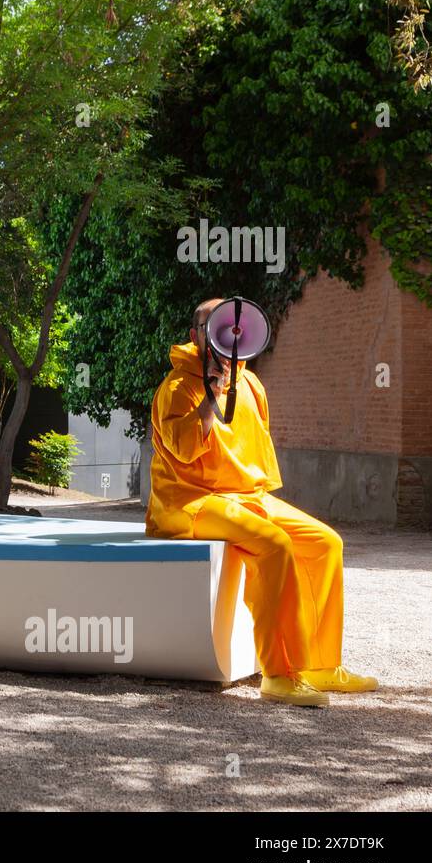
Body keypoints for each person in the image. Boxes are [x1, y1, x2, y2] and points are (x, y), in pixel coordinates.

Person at [145, 298, 377, 707]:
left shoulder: (251, 383)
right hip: (190, 502)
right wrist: (209, 399)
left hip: (247, 496)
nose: (225, 334)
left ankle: (321, 666)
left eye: (232, 326)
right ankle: (278, 674)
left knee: (326, 544)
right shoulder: (177, 387)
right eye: (213, 326)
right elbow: (181, 450)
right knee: (274, 546)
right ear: (195, 335)